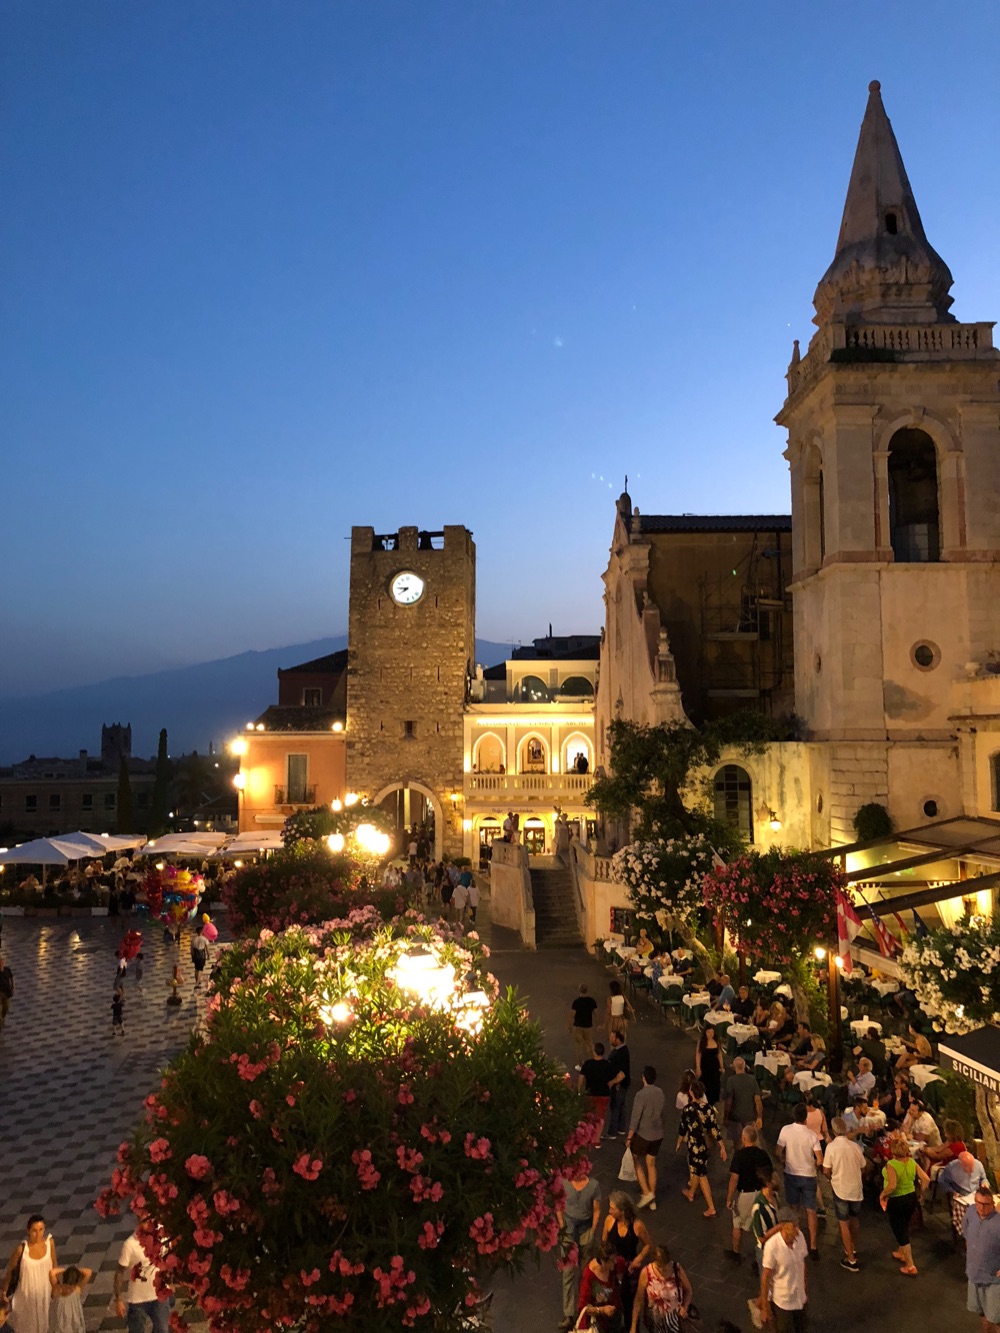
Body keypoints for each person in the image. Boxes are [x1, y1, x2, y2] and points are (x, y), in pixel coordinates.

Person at [557, 1167, 602, 1332]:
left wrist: (592, 1231)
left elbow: (597, 1210)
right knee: (568, 1274)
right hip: (569, 1234)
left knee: (586, 1274)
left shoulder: (593, 1186)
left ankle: (585, 1310)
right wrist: (562, 1225)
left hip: (585, 1233)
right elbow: (558, 1205)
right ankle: (568, 1314)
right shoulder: (564, 1183)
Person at [879, 1133, 929, 1277]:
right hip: (911, 1198)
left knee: (899, 1231)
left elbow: (892, 1185)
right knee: (904, 1225)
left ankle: (910, 1265)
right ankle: (901, 1252)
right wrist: (920, 1192)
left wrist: (882, 1194)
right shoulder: (912, 1162)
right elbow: (925, 1179)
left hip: (897, 1200)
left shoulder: (892, 1164)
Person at [776, 1103, 822, 1258]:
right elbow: (820, 1159)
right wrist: (814, 1166)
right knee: (811, 1210)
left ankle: (795, 1240)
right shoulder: (812, 1135)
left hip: (791, 1174)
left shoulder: (785, 1130)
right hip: (808, 1175)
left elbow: (778, 1151)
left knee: (794, 1209)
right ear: (805, 1118)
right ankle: (813, 1245)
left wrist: (784, 1162)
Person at [677, 1078, 727, 1217]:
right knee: (697, 1170)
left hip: (694, 1146)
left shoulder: (688, 1109)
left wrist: (679, 1142)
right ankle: (691, 1192)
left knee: (701, 1175)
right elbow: (714, 1129)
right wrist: (722, 1146)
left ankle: (711, 1207)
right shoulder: (708, 1108)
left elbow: (682, 1128)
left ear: (691, 1092)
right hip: (706, 1146)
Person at [602, 1191, 652, 1328]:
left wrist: (638, 1259)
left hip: (629, 1271)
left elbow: (648, 1244)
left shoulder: (637, 1225)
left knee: (630, 1304)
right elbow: (604, 1243)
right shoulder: (609, 1221)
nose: (609, 1211)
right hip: (613, 1269)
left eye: (612, 1208)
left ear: (622, 1210)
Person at [822, 1117, 865, 1272]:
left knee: (843, 1222)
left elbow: (826, 1170)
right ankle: (852, 1247)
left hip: (840, 1189)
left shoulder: (831, 1148)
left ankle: (851, 1259)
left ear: (834, 1131)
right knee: (854, 1219)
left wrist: (830, 1177)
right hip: (856, 1189)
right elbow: (863, 1165)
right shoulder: (855, 1146)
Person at [2, 1214, 57, 1333]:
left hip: (44, 1294)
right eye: (34, 1231)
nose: (38, 1234)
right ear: (28, 1231)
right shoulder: (22, 1250)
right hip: (26, 1297)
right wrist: (4, 1292)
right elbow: (10, 1271)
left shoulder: (50, 1244)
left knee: (45, 1325)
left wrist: (55, 1288)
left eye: (41, 1230)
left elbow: (54, 1266)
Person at [758, 1208, 809, 1332]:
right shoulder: (772, 1246)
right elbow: (765, 1277)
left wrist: (804, 1287)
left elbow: (802, 1264)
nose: (797, 1230)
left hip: (799, 1297)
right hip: (783, 1301)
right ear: (784, 1227)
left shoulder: (800, 1237)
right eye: (794, 1226)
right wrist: (765, 1306)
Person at [725, 1125, 772, 1259]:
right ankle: (762, 1254)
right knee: (760, 1225)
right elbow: (770, 1175)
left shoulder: (739, 1155)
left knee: (737, 1223)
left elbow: (734, 1179)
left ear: (744, 1138)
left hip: (744, 1195)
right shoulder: (763, 1154)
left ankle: (736, 1252)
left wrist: (729, 1198)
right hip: (761, 1194)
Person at [114, 1228, 171, 1332]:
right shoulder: (130, 1244)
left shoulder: (162, 1234)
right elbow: (120, 1271)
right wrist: (118, 1299)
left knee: (162, 1329)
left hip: (159, 1296)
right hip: (137, 1299)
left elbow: (169, 1257)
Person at [627, 1065, 667, 1211]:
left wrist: (629, 1137)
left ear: (643, 1078)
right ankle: (652, 1199)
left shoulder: (640, 1095)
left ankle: (646, 1193)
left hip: (644, 1134)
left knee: (636, 1160)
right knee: (651, 1164)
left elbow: (635, 1118)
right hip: (658, 1134)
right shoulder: (660, 1092)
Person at [629, 1244, 693, 1333]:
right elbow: (638, 1299)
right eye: (660, 1267)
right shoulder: (646, 1273)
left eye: (666, 1266)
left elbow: (689, 1291)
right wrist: (633, 1326)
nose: (663, 1270)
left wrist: (685, 1307)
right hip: (655, 1323)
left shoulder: (676, 1269)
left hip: (675, 1321)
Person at [963, 1181, 1000, 1333]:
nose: (981, 1208)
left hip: (993, 1279)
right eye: (978, 1203)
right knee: (982, 1312)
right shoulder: (971, 1212)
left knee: (997, 1316)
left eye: (986, 1204)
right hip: (974, 1274)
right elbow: (967, 1235)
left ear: (993, 1204)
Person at [577, 1241, 624, 1333]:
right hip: (596, 1324)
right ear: (602, 1262)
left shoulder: (615, 1265)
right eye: (612, 1260)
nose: (615, 1262)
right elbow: (583, 1307)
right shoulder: (589, 1276)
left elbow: (623, 1265)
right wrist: (602, 1310)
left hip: (614, 1321)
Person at [941, 1150, 990, 1236]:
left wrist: (985, 1184)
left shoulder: (978, 1164)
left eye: (972, 1166)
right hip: (961, 1195)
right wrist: (952, 1191)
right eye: (967, 1167)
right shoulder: (952, 1167)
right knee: (973, 1212)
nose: (971, 1169)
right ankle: (973, 1234)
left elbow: (984, 1179)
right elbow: (942, 1181)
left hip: (977, 1193)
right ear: (960, 1164)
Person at [722, 1056, 764, 1148]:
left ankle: (739, 1155)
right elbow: (758, 1100)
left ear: (734, 1067)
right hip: (750, 1117)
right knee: (751, 1143)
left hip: (735, 1119)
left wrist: (725, 1117)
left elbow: (728, 1102)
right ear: (745, 1066)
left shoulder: (731, 1080)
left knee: (737, 1143)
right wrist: (759, 1117)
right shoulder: (752, 1079)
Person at [579, 1043, 615, 1143]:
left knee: (588, 1116)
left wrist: (579, 1090)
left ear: (594, 1052)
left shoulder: (588, 1063)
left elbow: (581, 1078)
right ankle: (596, 1139)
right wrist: (612, 1082)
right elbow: (621, 1075)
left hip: (590, 1094)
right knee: (600, 1117)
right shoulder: (607, 1064)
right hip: (603, 1094)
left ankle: (587, 1137)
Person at [750, 1169, 780, 1277]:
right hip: (766, 1251)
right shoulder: (759, 1208)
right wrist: (779, 1228)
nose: (778, 1179)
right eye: (774, 1177)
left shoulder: (775, 1196)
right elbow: (761, 1237)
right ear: (768, 1183)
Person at [50, 1263, 94, 1333]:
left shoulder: (76, 1290)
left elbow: (88, 1272)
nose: (68, 1290)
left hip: (71, 1323)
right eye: (67, 1286)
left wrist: (73, 1271)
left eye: (70, 1288)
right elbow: (52, 1273)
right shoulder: (58, 1290)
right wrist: (67, 1270)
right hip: (62, 1324)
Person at [606, 1029, 631, 1139]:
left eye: (612, 1038)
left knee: (615, 1107)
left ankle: (612, 1132)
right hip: (624, 1084)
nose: (610, 1039)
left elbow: (621, 1073)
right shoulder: (624, 1050)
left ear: (618, 1039)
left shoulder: (618, 1054)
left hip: (619, 1085)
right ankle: (621, 1128)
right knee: (621, 1106)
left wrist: (614, 1082)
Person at [695, 1025, 723, 1108]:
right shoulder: (701, 1042)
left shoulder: (716, 1041)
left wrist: (721, 1066)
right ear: (705, 1032)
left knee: (714, 1084)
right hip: (705, 1067)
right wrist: (698, 1067)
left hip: (714, 1067)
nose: (711, 1034)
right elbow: (698, 1055)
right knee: (705, 1084)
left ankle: (712, 1102)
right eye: (709, 1032)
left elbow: (719, 1054)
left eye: (712, 1032)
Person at [571, 985, 599, 1067]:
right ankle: (592, 1061)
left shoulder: (576, 1002)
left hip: (578, 1026)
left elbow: (572, 1015)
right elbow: (596, 1013)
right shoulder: (591, 1001)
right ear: (587, 990)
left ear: (579, 990)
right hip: (588, 1026)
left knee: (579, 1045)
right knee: (589, 1044)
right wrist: (598, 1024)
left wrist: (569, 1026)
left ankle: (580, 1064)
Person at [0, 954, 13, 1032]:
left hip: (6, 992)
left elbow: (11, 977)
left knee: (6, 1007)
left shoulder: (7, 970)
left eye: (1, 962)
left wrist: (12, 987)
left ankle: (2, 1018)